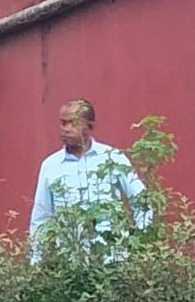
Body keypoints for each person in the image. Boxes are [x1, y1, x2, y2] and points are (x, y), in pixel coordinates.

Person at [29, 99, 149, 253]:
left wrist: (140, 246)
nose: (66, 129)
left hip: (112, 261)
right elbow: (41, 219)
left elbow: (142, 201)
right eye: (63, 123)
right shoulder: (51, 166)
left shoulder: (112, 158)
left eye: (73, 123)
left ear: (89, 125)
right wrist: (37, 261)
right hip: (70, 263)